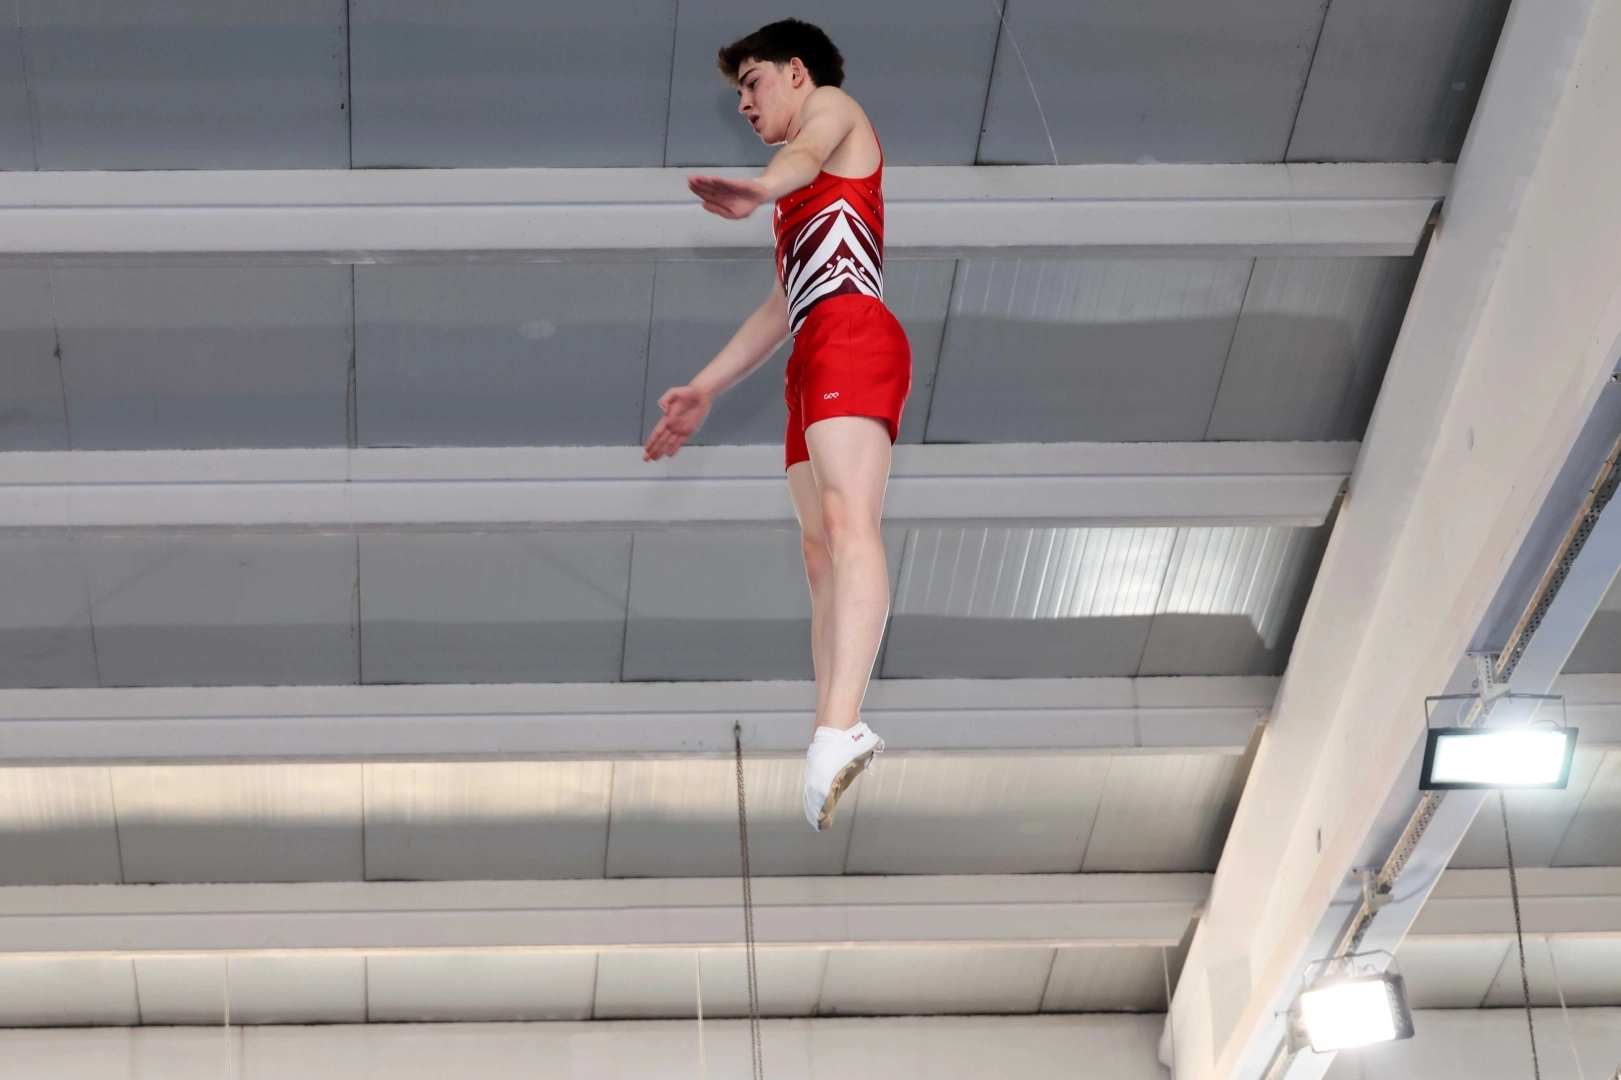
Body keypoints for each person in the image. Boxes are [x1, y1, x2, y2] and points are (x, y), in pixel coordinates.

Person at [642, 19, 910, 832]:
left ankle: (839, 727)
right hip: (811, 346)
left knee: (846, 521)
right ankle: (834, 723)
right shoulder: (795, 203)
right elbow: (779, 305)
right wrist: (705, 387)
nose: (744, 104)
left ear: (797, 73)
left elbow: (804, 151)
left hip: (852, 330)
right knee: (816, 550)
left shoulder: (832, 111)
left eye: (751, 83)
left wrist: (761, 188)